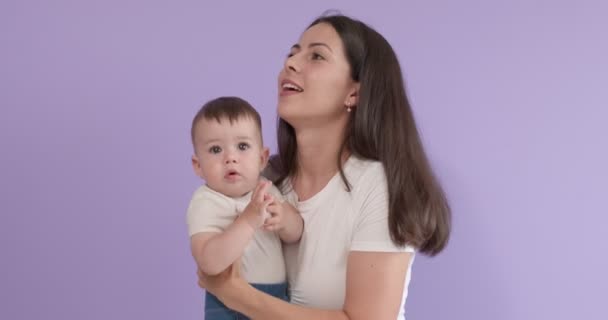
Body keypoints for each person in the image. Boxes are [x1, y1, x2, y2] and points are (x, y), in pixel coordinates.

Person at [197, 14, 451, 320]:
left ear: (354, 93)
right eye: (292, 53)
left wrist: (237, 295)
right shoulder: (264, 184)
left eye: (316, 55)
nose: (290, 64)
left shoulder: (376, 187)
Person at [187, 96, 304, 319]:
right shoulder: (206, 201)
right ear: (198, 166)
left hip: (275, 298)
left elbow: (296, 233)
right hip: (225, 302)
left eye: (242, 146)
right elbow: (209, 262)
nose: (230, 158)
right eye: (215, 150)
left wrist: (285, 218)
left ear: (262, 159)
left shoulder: (267, 190)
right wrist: (248, 220)